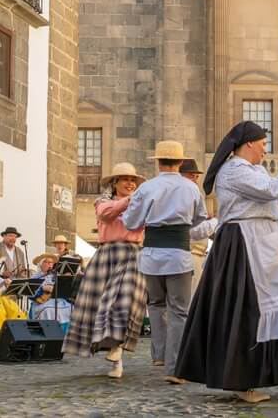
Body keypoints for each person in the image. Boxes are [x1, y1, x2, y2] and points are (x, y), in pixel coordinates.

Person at [176, 122, 278, 404]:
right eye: (264, 143)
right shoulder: (234, 170)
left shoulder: (254, 170)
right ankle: (243, 379)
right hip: (245, 242)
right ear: (249, 143)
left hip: (267, 239)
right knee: (248, 311)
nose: (266, 149)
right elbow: (270, 191)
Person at [122, 140, 209, 385]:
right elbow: (199, 218)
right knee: (179, 311)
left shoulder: (146, 188)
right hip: (178, 254)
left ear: (158, 162)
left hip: (151, 255)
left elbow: (130, 222)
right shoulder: (191, 188)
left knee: (157, 305)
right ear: (180, 163)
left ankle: (159, 355)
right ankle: (174, 367)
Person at [64, 162, 148, 378]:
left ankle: (117, 346)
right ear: (115, 182)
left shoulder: (142, 205)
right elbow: (105, 214)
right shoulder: (102, 201)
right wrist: (130, 200)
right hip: (107, 255)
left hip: (133, 254)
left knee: (125, 301)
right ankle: (116, 358)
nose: (130, 183)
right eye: (125, 179)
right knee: (102, 306)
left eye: (133, 181)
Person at [179, 158, 218, 295]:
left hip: (197, 256)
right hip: (189, 255)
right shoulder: (183, 195)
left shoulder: (192, 194)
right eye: (191, 176)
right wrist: (216, 222)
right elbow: (194, 231)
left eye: (196, 177)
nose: (195, 180)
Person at [30, 253, 72, 326]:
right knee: (48, 310)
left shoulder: (56, 275)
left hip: (58, 301)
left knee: (71, 307)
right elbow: (31, 294)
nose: (49, 264)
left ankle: (65, 334)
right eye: (46, 262)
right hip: (42, 303)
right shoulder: (36, 276)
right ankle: (50, 331)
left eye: (51, 262)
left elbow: (65, 292)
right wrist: (42, 288)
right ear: (41, 264)